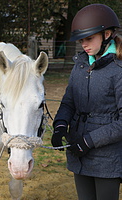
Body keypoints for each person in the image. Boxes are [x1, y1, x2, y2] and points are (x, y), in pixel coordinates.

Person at [51, 4, 122, 200]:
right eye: (81, 40)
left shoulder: (119, 70)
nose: (84, 44)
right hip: (78, 152)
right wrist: (60, 125)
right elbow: (68, 102)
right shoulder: (80, 65)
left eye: (89, 38)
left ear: (107, 34)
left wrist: (89, 141)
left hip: (107, 158)